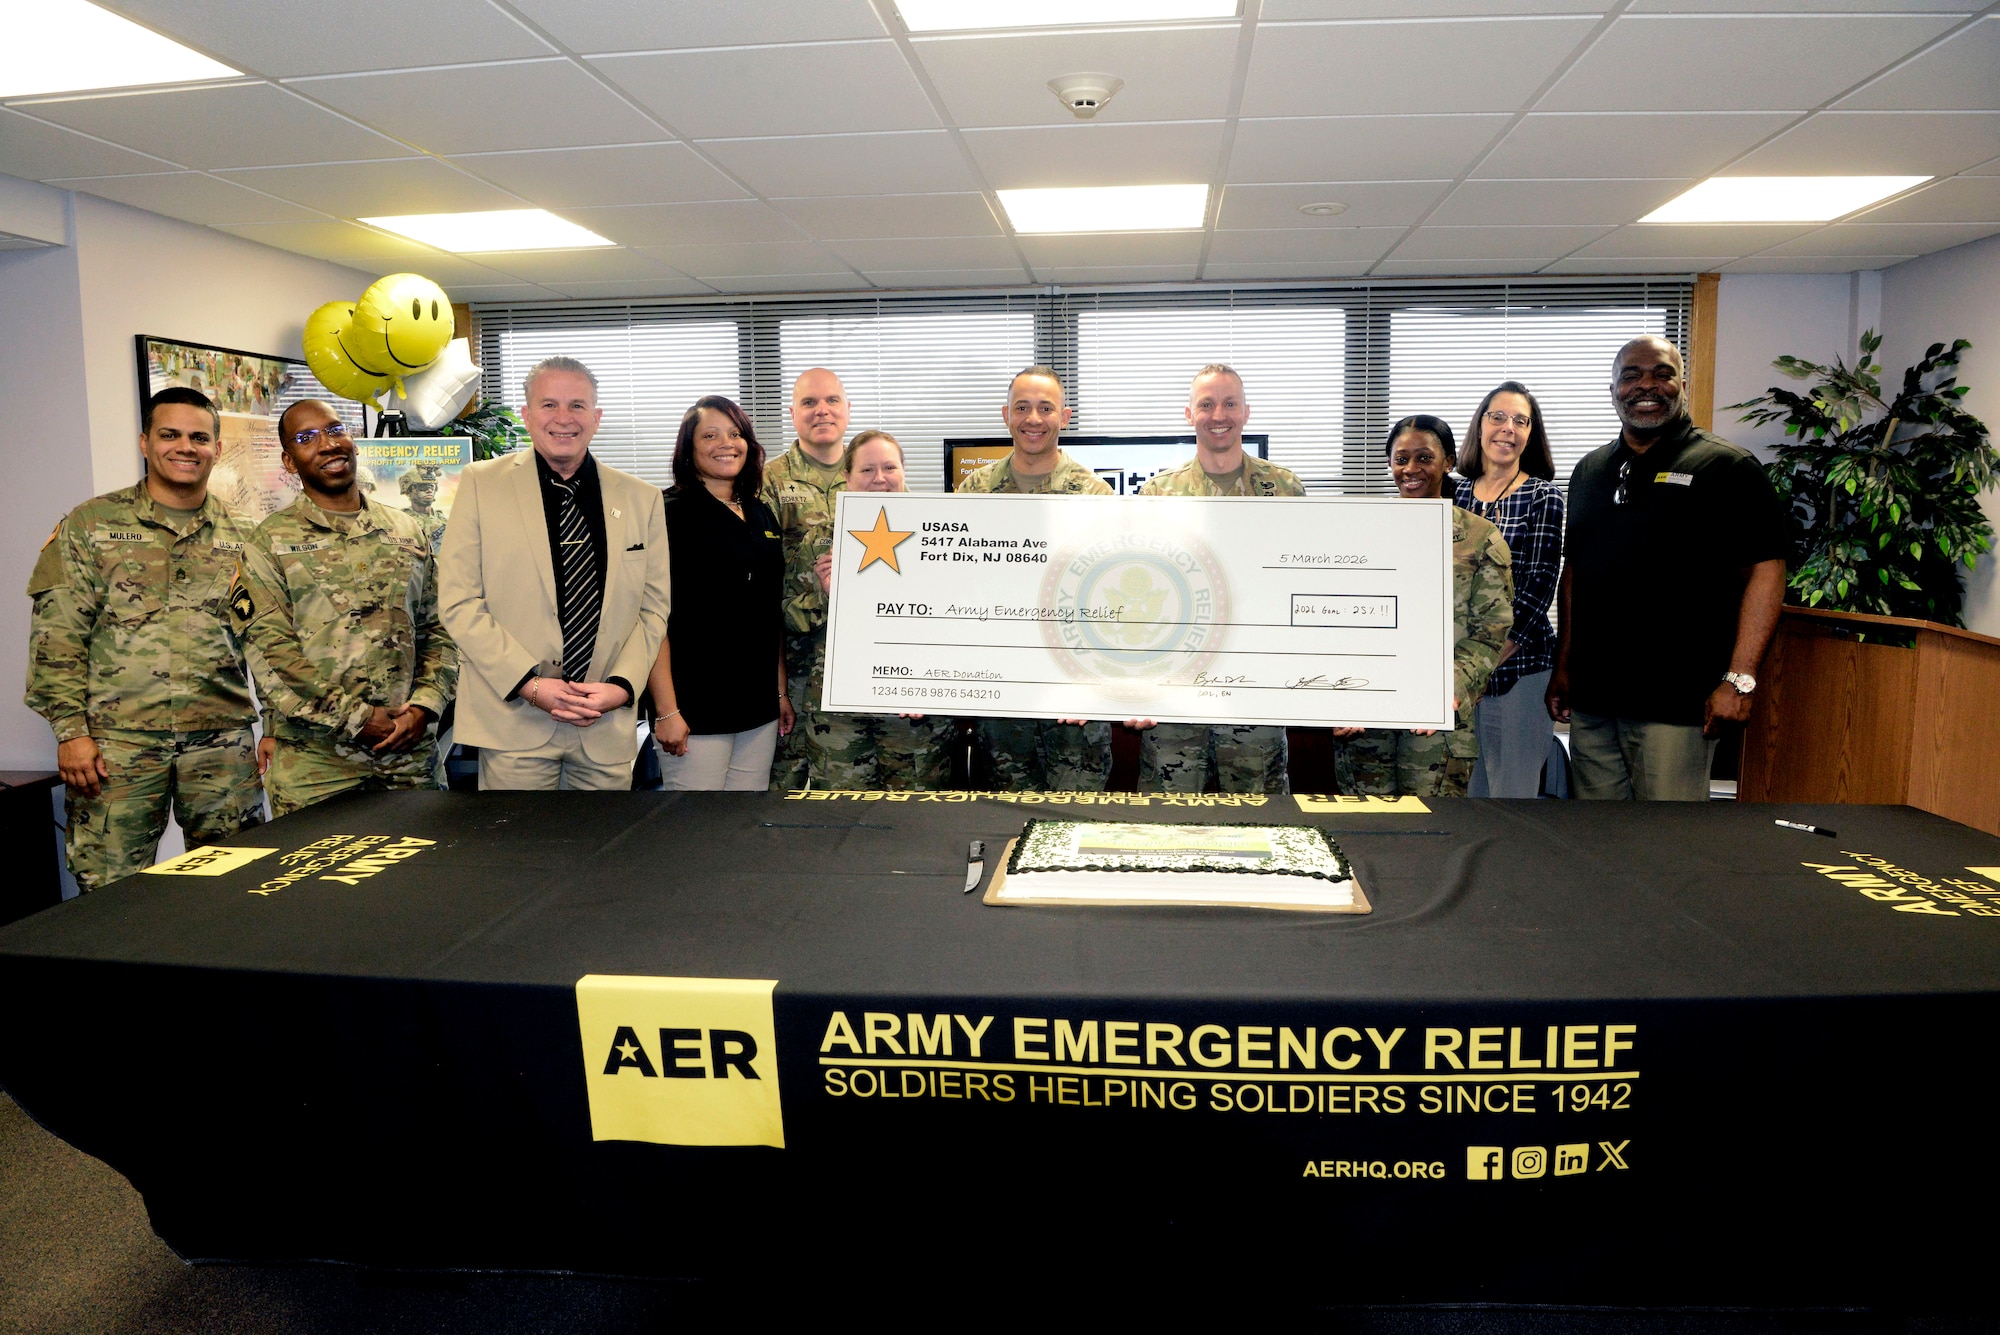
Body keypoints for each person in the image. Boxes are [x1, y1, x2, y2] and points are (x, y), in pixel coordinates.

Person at [24, 386, 263, 890]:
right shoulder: (92, 524)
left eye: (199, 437)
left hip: (220, 743)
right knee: (111, 890)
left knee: (236, 886)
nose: (185, 447)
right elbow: (58, 635)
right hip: (116, 746)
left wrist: (280, 727)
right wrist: (71, 732)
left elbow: (268, 641)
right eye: (170, 434)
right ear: (144, 442)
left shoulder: (245, 532)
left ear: (217, 449)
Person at [1546, 336, 1788, 801]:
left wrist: (1739, 679)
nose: (1646, 386)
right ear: (1613, 388)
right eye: (1631, 376)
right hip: (1595, 700)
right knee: (1597, 842)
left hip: (1677, 703)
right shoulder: (1590, 470)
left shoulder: (1727, 467)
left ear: (1681, 384)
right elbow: (1575, 571)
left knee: (1669, 846)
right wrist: (1564, 665)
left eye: (1661, 373)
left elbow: (1767, 570)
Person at [437, 356, 669, 791]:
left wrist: (621, 687)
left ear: (597, 418)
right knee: (520, 856)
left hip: (605, 722)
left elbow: (653, 610)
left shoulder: (643, 499)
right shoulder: (480, 484)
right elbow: (459, 602)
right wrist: (530, 683)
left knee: (603, 853)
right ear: (525, 414)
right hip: (514, 722)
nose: (564, 419)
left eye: (577, 406)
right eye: (549, 405)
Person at [231, 400, 458, 816]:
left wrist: (426, 705)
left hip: (409, 755)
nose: (327, 444)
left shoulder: (407, 530)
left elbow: (438, 629)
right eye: (306, 438)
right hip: (317, 764)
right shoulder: (269, 543)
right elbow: (272, 655)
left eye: (335, 430)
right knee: (319, 881)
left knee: (426, 877)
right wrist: (358, 718)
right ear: (288, 461)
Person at [1135, 364, 1304, 793]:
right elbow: (1140, 596)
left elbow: (1300, 587)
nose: (1219, 415)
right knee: (1165, 828)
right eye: (1206, 404)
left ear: (1247, 412)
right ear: (1189, 414)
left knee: (1263, 826)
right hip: (1175, 695)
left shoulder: (1284, 489)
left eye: (1230, 403)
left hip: (1255, 692)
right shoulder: (1158, 494)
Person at [1336, 416, 1513, 798]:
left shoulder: (1480, 538)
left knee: (1430, 841)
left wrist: (1447, 686)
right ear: (1389, 464)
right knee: (1363, 835)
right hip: (1366, 719)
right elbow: (1337, 620)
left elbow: (1491, 630)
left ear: (1448, 461)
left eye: (1424, 458)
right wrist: (1338, 690)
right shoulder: (1359, 534)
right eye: (1401, 459)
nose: (1411, 469)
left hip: (1435, 721)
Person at [958, 366, 1115, 792]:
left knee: (1077, 821)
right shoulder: (973, 491)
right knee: (1005, 817)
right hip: (1002, 690)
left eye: (1045, 408)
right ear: (1005, 414)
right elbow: (955, 583)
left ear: (1064, 417)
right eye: (1022, 407)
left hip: (1075, 694)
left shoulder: (1094, 495)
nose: (1033, 418)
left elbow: (1111, 597)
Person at [804, 430, 959, 789]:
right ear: (847, 477)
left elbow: (959, 618)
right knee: (843, 824)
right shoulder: (823, 537)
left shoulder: (942, 531)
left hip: (915, 712)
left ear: (904, 471)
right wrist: (828, 596)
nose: (879, 478)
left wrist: (933, 684)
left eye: (889, 467)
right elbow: (789, 615)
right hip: (840, 714)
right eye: (867, 469)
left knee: (916, 825)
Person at [649, 397, 790, 790]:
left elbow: (768, 609)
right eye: (709, 435)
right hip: (695, 707)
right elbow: (650, 619)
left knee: (742, 829)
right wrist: (665, 711)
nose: (725, 443)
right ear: (689, 449)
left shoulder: (761, 513)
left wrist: (779, 691)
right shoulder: (667, 512)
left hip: (757, 706)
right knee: (698, 835)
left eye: (735, 433)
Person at [1454, 381, 1565, 798]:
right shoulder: (1453, 492)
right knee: (1465, 797)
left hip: (1520, 669)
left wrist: (1485, 663)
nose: (1508, 428)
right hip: (1457, 674)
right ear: (1480, 426)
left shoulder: (1543, 496)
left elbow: (1538, 589)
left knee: (1511, 798)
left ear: (1530, 435)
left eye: (1521, 421)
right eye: (1498, 417)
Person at [762, 368, 849, 790]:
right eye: (810, 403)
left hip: (863, 663)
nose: (822, 411)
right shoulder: (767, 482)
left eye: (832, 401)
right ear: (792, 413)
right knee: (787, 787)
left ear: (847, 410)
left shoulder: (873, 472)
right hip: (795, 664)